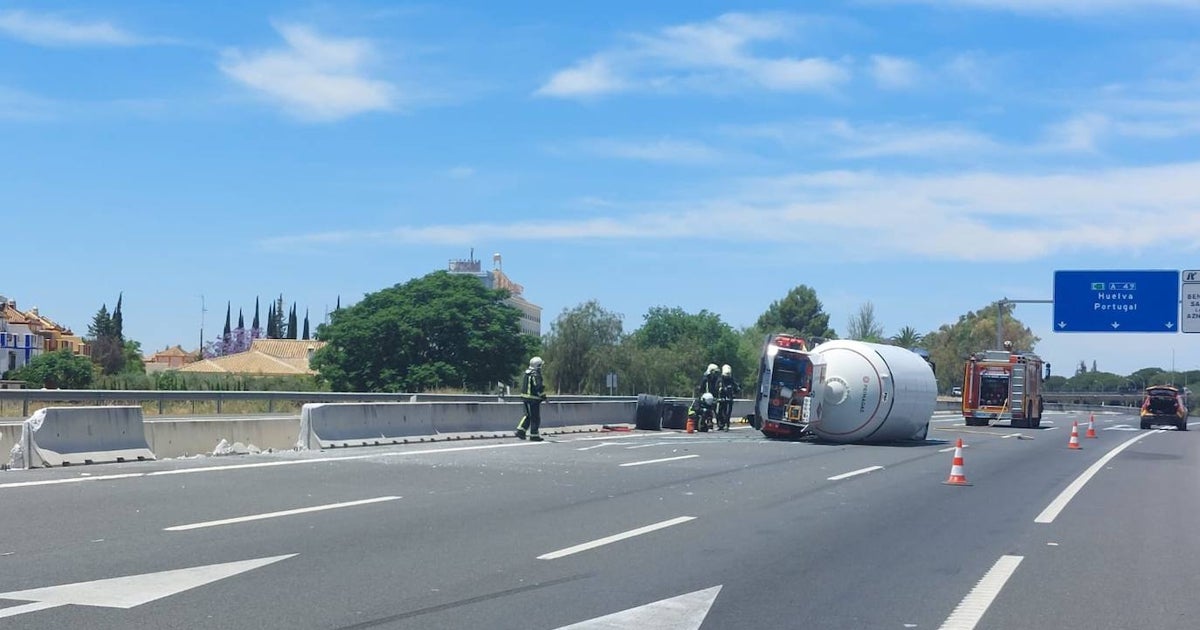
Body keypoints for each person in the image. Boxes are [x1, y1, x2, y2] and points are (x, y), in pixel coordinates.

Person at [515, 356, 547, 441]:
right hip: (533, 399)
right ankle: (534, 435)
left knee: (527, 416)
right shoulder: (536, 374)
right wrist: (543, 396)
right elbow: (538, 387)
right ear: (538, 365)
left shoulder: (527, 373)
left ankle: (521, 431)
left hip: (525, 398)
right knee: (535, 418)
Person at [716, 364, 740, 431]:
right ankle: (720, 424)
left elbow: (736, 387)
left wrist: (735, 391)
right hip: (721, 398)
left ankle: (727, 424)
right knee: (720, 412)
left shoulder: (731, 379)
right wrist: (720, 390)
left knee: (728, 412)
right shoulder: (720, 380)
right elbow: (716, 387)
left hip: (729, 398)